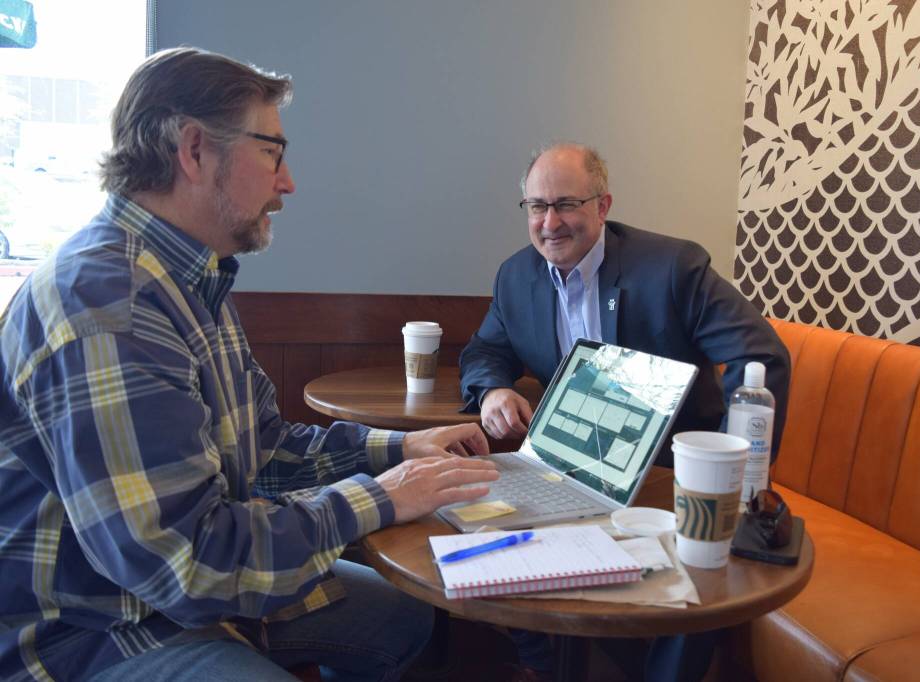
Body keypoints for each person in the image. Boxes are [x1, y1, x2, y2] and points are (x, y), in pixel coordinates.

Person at [0, 47, 499, 682]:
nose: (287, 181)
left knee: (404, 613)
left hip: (168, 601)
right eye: (272, 152)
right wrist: (377, 498)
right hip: (89, 634)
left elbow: (264, 450)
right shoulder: (108, 305)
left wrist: (400, 451)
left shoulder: (189, 279)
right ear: (194, 150)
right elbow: (187, 561)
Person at [459, 143, 791, 681]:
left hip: (669, 475)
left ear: (603, 206)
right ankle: (547, 668)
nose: (550, 222)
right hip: (566, 466)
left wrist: (737, 475)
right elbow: (484, 352)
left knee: (694, 581)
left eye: (566, 204)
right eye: (536, 206)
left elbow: (761, 357)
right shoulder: (516, 276)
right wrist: (493, 390)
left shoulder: (673, 267)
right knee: (484, 543)